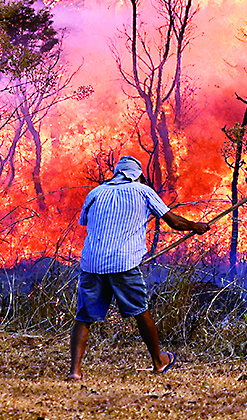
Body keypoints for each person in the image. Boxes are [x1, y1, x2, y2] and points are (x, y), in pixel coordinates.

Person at [69, 155, 210, 380]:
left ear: (116, 174)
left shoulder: (95, 193)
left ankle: (75, 371)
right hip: (123, 263)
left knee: (84, 316)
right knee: (140, 310)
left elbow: (85, 222)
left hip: (91, 262)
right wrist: (196, 226)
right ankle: (158, 361)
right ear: (139, 176)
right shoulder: (143, 190)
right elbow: (173, 221)